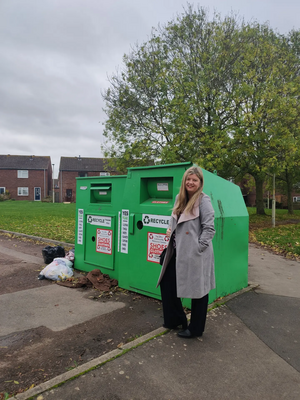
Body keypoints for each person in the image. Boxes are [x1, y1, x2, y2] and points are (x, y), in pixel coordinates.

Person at [156, 166, 215, 338]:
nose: (190, 182)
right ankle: (175, 319)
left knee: (199, 291)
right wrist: (170, 230)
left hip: (196, 253)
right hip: (177, 250)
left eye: (194, 180)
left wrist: (198, 248)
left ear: (200, 183)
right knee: (167, 281)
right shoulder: (179, 198)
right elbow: (174, 221)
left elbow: (209, 229)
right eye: (188, 179)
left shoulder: (204, 200)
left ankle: (196, 329)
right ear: (184, 181)